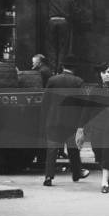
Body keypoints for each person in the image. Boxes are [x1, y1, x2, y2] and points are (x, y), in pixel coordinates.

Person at [41, 55, 89, 186]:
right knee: (73, 149)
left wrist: (45, 119)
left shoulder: (52, 80)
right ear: (74, 68)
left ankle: (48, 177)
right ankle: (76, 174)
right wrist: (81, 124)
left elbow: (45, 102)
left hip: (53, 120)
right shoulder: (78, 82)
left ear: (62, 66)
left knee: (52, 149)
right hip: (71, 122)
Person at [81, 62, 109, 194]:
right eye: (105, 72)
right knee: (98, 151)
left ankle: (104, 182)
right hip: (98, 128)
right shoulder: (95, 91)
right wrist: (81, 128)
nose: (107, 75)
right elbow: (87, 111)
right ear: (100, 74)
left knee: (106, 153)